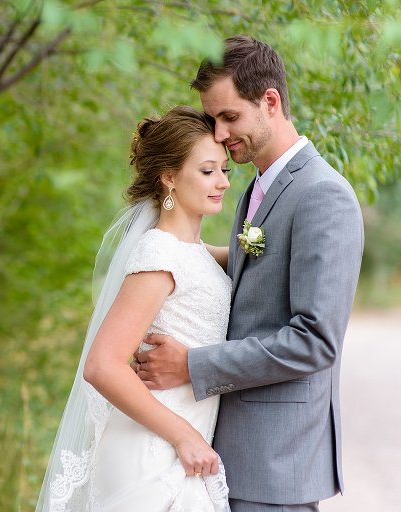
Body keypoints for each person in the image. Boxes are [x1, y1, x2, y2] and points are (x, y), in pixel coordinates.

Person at [134, 36, 364, 512]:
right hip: (226, 450)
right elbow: (257, 273)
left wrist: (192, 364)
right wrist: (179, 258)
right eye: (214, 118)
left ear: (271, 101)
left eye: (229, 117)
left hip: (274, 461)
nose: (218, 133)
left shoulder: (323, 196)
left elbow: (314, 341)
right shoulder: (260, 187)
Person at [36, 105, 233, 512]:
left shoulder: (189, 252)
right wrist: (182, 436)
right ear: (169, 178)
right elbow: (102, 365)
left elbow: (216, 260)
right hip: (154, 449)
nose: (222, 183)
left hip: (179, 446)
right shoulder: (159, 253)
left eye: (225, 171)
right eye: (208, 171)